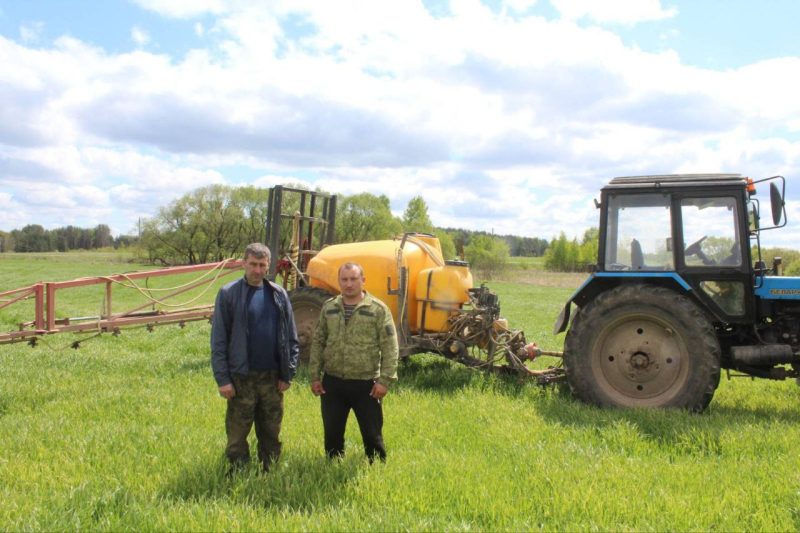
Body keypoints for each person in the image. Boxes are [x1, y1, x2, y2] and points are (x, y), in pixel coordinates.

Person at [211, 243, 300, 473]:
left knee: (271, 430)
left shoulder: (278, 294)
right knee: (238, 431)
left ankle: (270, 470)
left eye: (262, 265)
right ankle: (237, 471)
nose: (257, 270)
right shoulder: (228, 294)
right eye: (253, 264)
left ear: (268, 266)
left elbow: (291, 337)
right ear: (244, 263)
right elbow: (219, 341)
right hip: (241, 378)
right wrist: (223, 379)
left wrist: (287, 373)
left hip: (272, 378)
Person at [309, 262, 399, 462]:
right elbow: (318, 342)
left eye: (353, 279)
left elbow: (390, 347)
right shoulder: (329, 307)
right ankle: (333, 467)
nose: (349, 284)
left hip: (366, 384)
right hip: (332, 382)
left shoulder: (377, 309)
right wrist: (314, 376)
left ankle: (376, 469)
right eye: (344, 279)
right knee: (332, 434)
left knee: (372, 434)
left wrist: (384, 381)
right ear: (339, 281)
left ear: (363, 280)